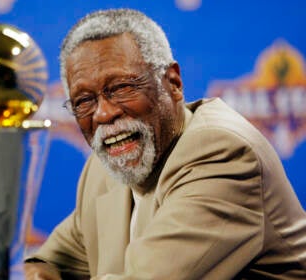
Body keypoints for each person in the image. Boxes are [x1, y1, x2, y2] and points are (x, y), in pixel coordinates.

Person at [25, 8, 306, 279]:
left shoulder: (222, 153)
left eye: (122, 87)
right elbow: (46, 262)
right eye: (84, 101)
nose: (103, 114)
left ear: (173, 82)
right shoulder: (103, 169)